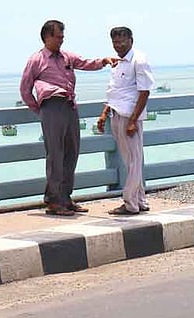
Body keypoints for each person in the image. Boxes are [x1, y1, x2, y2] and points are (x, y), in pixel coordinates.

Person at [20, 20, 119, 216]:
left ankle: (66, 197)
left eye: (62, 37)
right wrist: (40, 111)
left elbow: (86, 63)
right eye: (58, 37)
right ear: (47, 37)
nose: (61, 40)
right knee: (55, 154)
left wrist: (104, 61)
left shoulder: (67, 56)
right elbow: (25, 89)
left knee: (71, 152)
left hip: (69, 106)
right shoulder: (36, 60)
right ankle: (54, 200)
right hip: (51, 106)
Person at [97, 26, 154, 215]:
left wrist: (133, 120)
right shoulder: (118, 62)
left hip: (129, 116)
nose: (118, 45)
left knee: (133, 161)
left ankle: (130, 203)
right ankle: (139, 200)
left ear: (131, 40)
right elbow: (116, 91)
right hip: (116, 114)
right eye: (115, 42)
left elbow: (144, 91)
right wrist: (105, 113)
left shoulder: (139, 60)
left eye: (122, 41)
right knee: (129, 159)